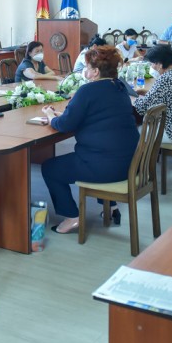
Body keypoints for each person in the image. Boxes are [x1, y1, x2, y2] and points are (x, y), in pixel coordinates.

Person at [41, 46, 140, 234]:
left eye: (87, 67)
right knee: (104, 149)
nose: (84, 70)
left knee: (50, 168)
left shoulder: (87, 90)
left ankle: (72, 217)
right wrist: (64, 115)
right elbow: (98, 115)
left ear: (95, 71)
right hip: (129, 162)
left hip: (104, 167)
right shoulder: (119, 87)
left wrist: (50, 115)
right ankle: (111, 207)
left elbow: (65, 125)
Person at [134, 45, 172, 145]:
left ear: (160, 64)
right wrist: (146, 92)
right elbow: (164, 96)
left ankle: (144, 155)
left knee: (133, 130)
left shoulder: (167, 78)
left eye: (152, 63)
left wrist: (133, 99)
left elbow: (142, 108)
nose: (151, 67)